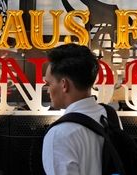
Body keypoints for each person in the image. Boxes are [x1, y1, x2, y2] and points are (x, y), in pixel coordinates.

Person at [41, 43, 106, 175]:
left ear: (64, 85)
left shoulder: (59, 134)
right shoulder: (109, 116)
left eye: (49, 83)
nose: (48, 90)